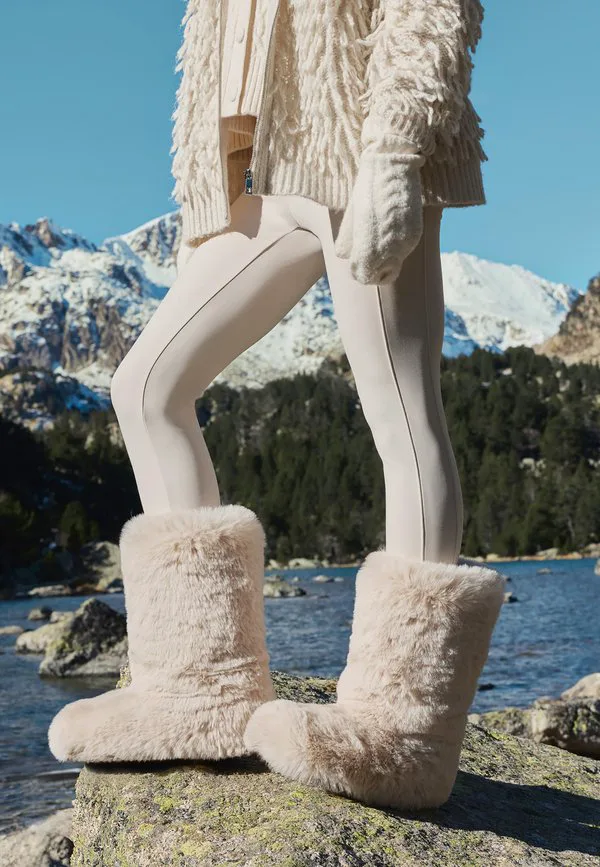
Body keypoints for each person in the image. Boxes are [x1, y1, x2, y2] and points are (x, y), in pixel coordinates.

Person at [47, 0, 506, 811]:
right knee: (146, 387)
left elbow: (433, 7)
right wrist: (209, 187)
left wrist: (395, 152)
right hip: (269, 172)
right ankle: (198, 691)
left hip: (359, 149)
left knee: (404, 416)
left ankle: (406, 733)